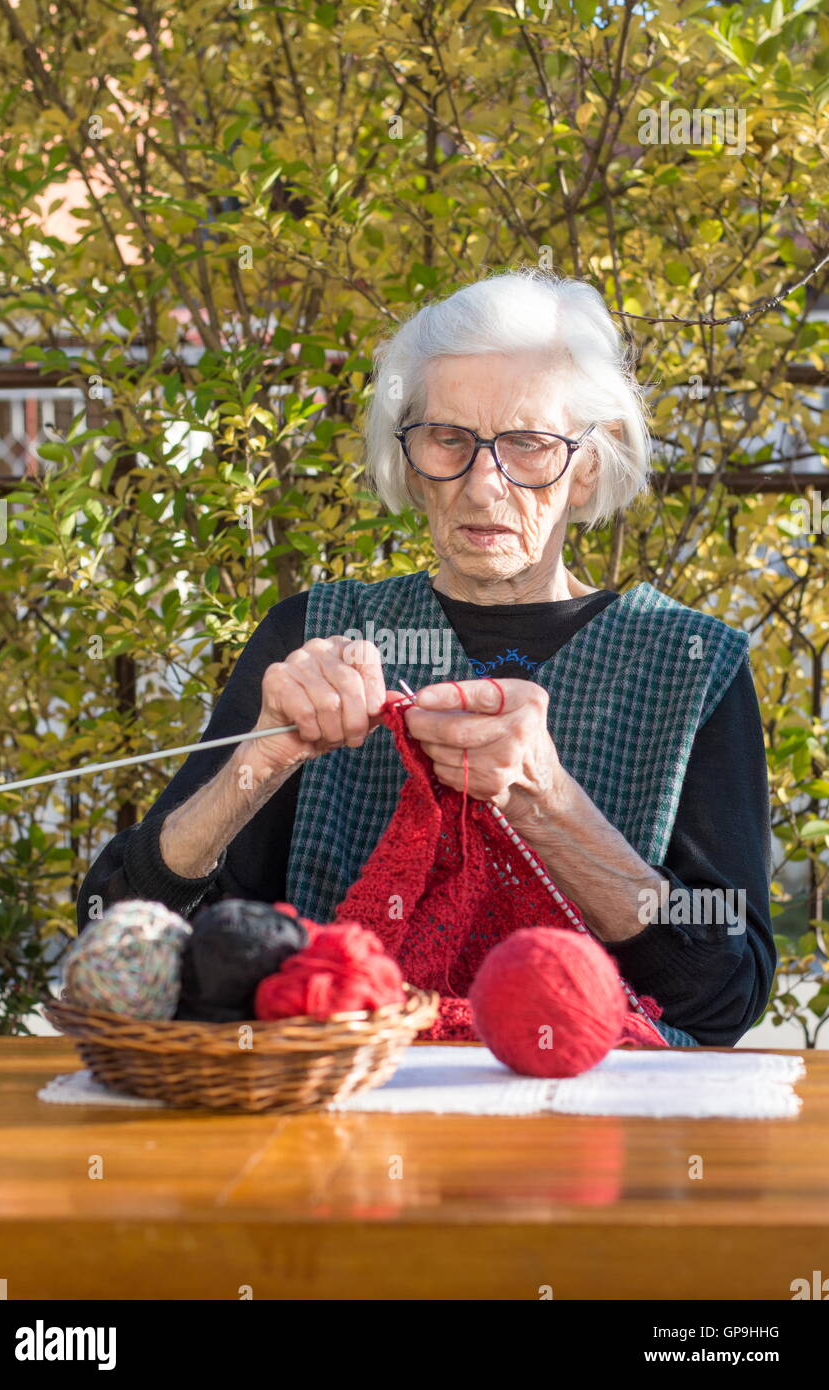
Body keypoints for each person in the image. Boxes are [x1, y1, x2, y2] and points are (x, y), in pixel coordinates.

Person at [78, 270, 775, 1046]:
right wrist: (255, 767)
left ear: (586, 467)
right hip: (340, 1129)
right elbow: (124, 933)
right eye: (449, 439)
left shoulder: (686, 665)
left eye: (528, 444)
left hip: (587, 1133)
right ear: (410, 459)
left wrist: (548, 804)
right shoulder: (314, 636)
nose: (484, 486)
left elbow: (723, 1000)